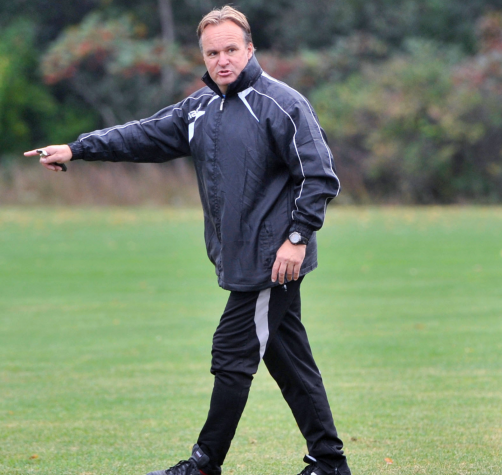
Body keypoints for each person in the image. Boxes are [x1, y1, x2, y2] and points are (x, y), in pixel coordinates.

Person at [25, 6, 351, 475]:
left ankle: (202, 465)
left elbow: (319, 176)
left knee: (232, 353)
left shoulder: (282, 103)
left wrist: (297, 237)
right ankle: (330, 462)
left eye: (231, 50)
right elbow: (142, 136)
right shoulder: (199, 107)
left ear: (250, 49)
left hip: (271, 261)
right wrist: (78, 148)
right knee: (289, 360)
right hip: (236, 258)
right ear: (203, 55)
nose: (222, 60)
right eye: (212, 52)